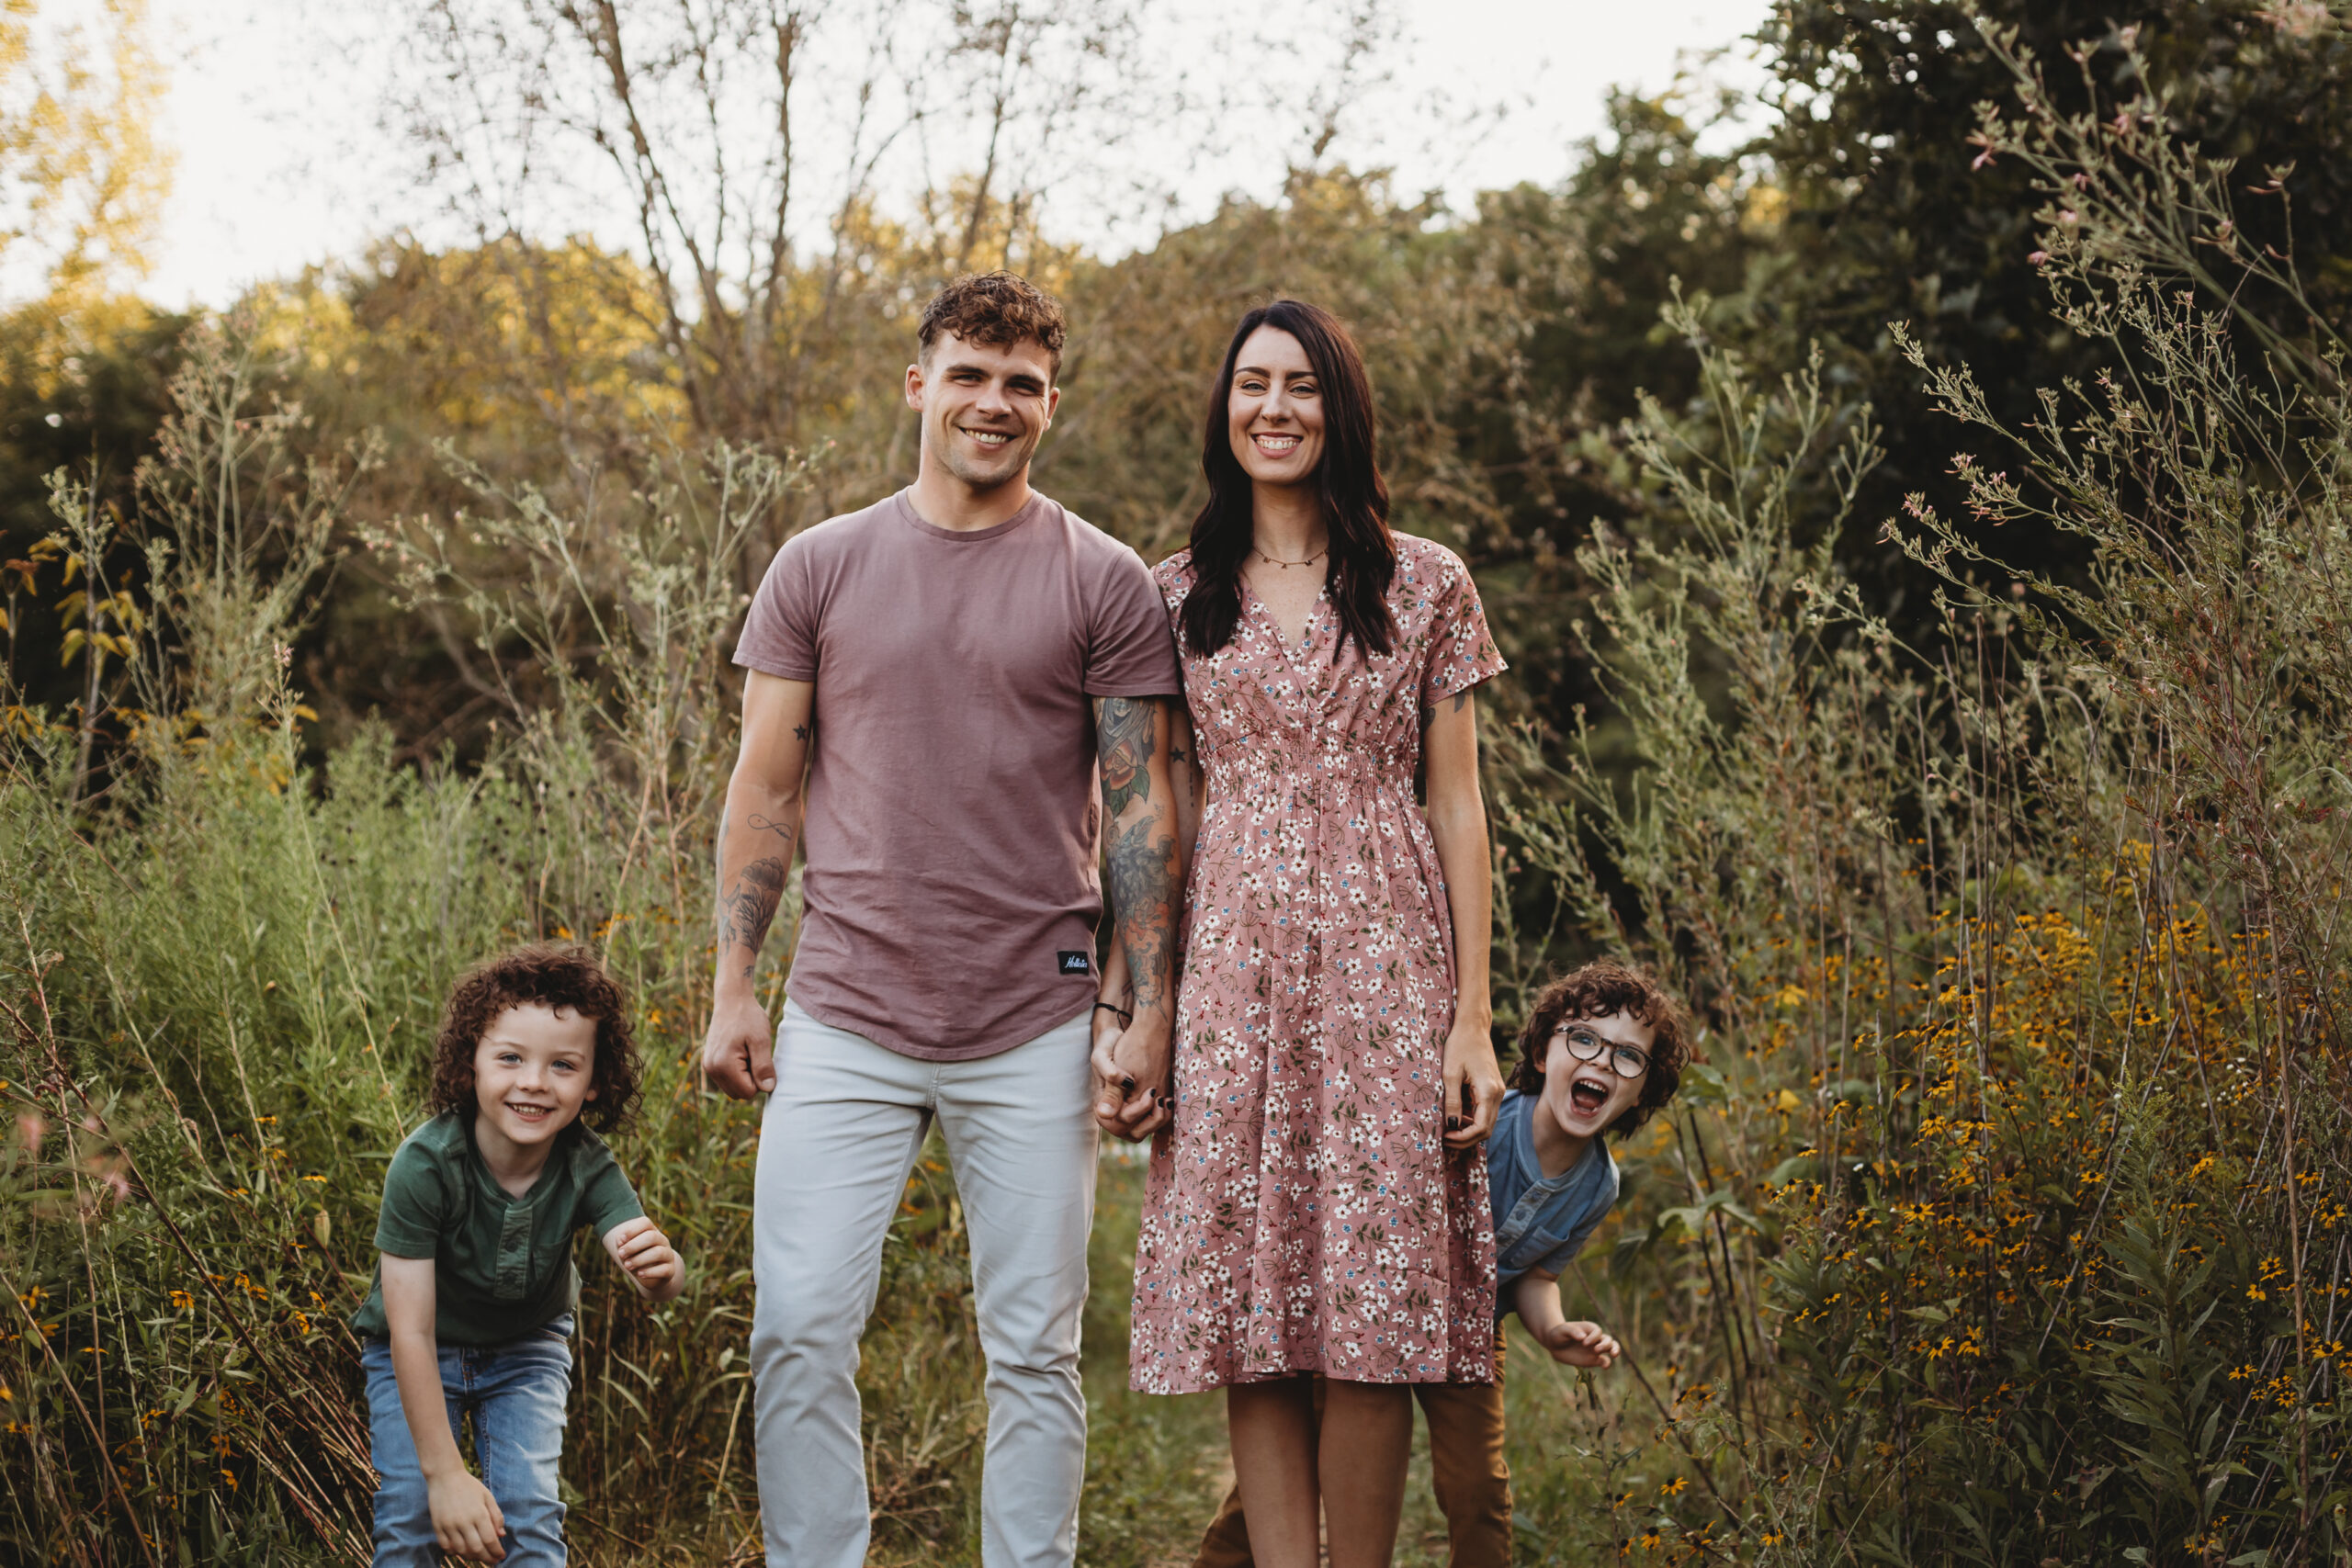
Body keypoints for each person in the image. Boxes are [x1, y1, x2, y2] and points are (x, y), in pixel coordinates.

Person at [702, 270, 1184, 1568]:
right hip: (845, 1009)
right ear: (919, 383)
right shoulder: (820, 564)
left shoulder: (1105, 577)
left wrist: (1143, 1005)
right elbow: (766, 778)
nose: (994, 401)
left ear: (1051, 405)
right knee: (798, 1319)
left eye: (1021, 382)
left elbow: (1140, 810)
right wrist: (733, 984)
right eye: (969, 373)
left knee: (1032, 1343)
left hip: (1033, 1010)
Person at [1102, 296, 1507, 1568]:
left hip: (1390, 965)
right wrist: (1133, 1011)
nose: (1274, 408)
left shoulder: (1426, 578)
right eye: (1251, 386)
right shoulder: (1166, 595)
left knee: (1375, 1296)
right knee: (1249, 1294)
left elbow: (1458, 800)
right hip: (1231, 965)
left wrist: (1473, 1016)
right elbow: (1153, 815)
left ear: (1341, 407)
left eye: (1302, 386)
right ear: (1224, 412)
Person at [1180, 957, 1692, 1568]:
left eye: (1627, 1056)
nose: (1602, 1062)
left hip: (1472, 1338)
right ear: (1541, 1052)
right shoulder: (1481, 1121)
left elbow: (1537, 1274)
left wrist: (1554, 1329)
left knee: (1480, 1487)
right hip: (1383, 1315)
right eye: (1583, 1039)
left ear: (1643, 1089)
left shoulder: (1598, 1186)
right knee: (1301, 1452)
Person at [353, 945, 684, 1567]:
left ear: (593, 1084)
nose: (534, 1081)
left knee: (528, 1517)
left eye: (564, 1065)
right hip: (419, 1349)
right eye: (510, 1057)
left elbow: (645, 1261)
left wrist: (663, 1272)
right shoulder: (424, 1166)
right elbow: (410, 1330)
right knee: (413, 1511)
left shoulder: (586, 1164)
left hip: (527, 1349)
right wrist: (447, 1475)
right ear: (471, 1062)